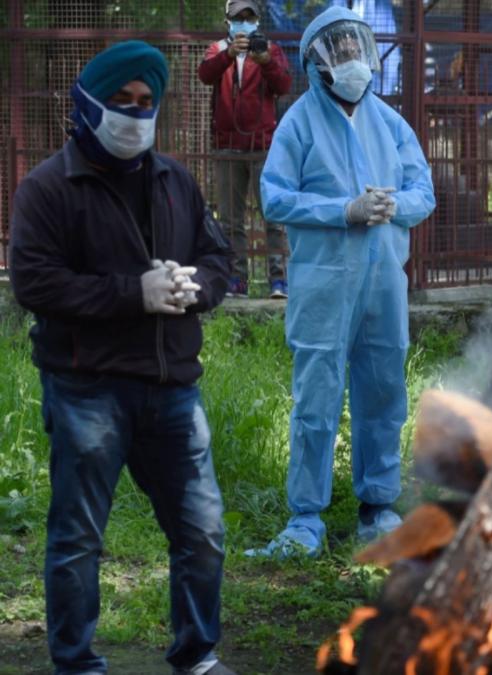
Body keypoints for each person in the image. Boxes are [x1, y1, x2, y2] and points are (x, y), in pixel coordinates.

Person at [8, 41, 235, 675]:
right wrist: (132, 293)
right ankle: (76, 663)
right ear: (86, 106)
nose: (135, 114)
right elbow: (35, 282)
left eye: (146, 103)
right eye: (121, 102)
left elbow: (221, 260)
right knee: (79, 540)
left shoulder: (174, 180)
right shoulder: (50, 187)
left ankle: (196, 655)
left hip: (172, 388)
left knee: (202, 533)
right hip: (87, 389)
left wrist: (197, 287)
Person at [250, 6, 436, 558]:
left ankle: (377, 506)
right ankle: (305, 517)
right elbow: (274, 196)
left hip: (383, 282)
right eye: (340, 49)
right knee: (317, 394)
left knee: (383, 389)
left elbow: (423, 191)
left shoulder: (389, 120)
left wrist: (392, 204)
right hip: (323, 283)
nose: (352, 57)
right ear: (316, 62)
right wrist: (343, 210)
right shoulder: (299, 122)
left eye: (356, 46)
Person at [198, 0, 292, 298]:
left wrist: (264, 60)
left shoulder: (270, 50)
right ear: (228, 21)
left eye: (249, 17)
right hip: (227, 146)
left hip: (263, 147)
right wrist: (229, 54)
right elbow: (205, 75)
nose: (244, 23)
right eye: (239, 18)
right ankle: (236, 279)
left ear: (257, 21)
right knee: (230, 221)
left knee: (273, 216)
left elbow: (284, 85)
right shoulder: (217, 49)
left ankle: (278, 280)